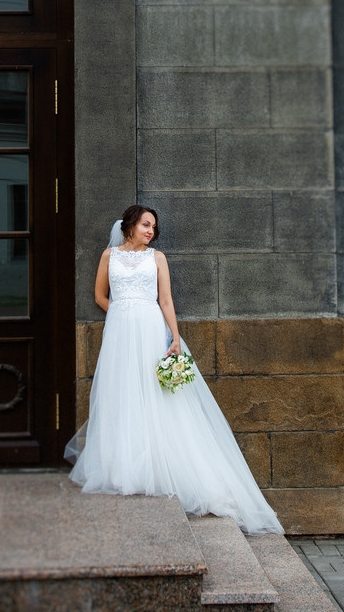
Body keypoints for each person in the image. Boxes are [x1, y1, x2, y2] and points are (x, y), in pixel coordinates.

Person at [65, 203, 283, 534]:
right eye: (145, 225)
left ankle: (166, 466)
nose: (150, 231)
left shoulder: (158, 259)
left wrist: (175, 338)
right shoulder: (109, 256)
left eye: (153, 226)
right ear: (129, 226)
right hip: (121, 333)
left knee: (159, 395)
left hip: (153, 330)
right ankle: (124, 468)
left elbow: (165, 301)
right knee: (122, 393)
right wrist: (124, 313)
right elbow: (99, 296)